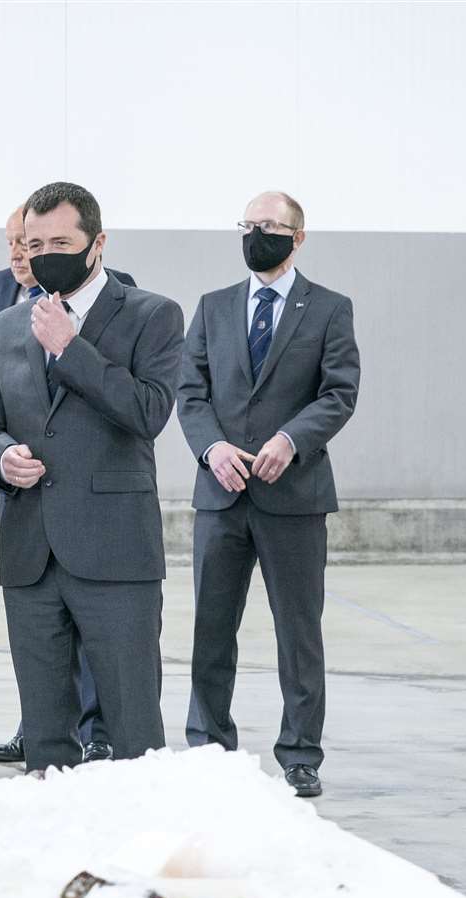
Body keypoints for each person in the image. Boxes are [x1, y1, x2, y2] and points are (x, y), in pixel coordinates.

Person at [0, 181, 182, 773]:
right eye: (34, 243)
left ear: (98, 243)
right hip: (31, 555)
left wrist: (70, 349)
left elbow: (149, 412)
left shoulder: (153, 315)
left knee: (135, 732)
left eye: (60, 241)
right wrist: (2, 457)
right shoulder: (9, 324)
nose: (43, 254)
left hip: (116, 553)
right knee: (45, 742)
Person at [177, 191, 360, 798]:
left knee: (299, 630)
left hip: (295, 496)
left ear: (298, 237)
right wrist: (212, 449)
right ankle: (208, 741)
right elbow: (191, 392)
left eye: (270, 226)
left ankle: (301, 752)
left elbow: (338, 392)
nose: (257, 235)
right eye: (249, 225)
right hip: (222, 493)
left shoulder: (330, 309)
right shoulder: (213, 306)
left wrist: (291, 438)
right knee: (211, 626)